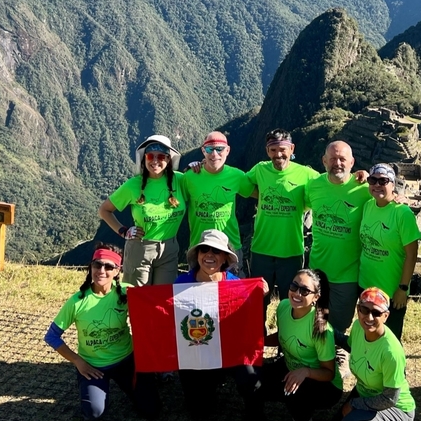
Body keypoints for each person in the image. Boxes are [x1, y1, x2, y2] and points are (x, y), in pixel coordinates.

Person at [173, 231, 265, 421]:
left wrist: (260, 296)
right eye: (205, 250)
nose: (210, 255)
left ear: (225, 258)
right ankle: (211, 382)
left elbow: (252, 325)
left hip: (230, 352)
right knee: (199, 412)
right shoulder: (181, 284)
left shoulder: (236, 286)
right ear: (198, 255)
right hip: (197, 353)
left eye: (217, 251)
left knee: (252, 380)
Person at [44, 244, 161, 421]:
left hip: (126, 360)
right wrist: (78, 361)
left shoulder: (127, 292)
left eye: (109, 266)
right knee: (93, 414)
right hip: (93, 366)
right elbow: (51, 336)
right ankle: (94, 390)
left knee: (152, 410)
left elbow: (153, 315)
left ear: (117, 270)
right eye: (97, 265)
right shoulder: (77, 301)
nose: (101, 270)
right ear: (90, 267)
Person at [250, 268, 343, 421]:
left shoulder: (321, 329)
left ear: (316, 297)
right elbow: (283, 336)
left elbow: (329, 373)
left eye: (304, 290)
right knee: (253, 382)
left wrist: (306, 372)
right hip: (291, 368)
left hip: (325, 385)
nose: (297, 293)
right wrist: (260, 341)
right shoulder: (283, 306)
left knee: (295, 391)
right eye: (294, 286)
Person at [333, 287, 415, 421]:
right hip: (366, 393)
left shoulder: (391, 352)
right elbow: (350, 345)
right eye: (364, 310)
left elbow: (389, 398)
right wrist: (325, 328)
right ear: (358, 309)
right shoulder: (357, 327)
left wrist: (354, 404)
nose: (368, 317)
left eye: (376, 313)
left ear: (386, 316)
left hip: (396, 407)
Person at [244, 129, 320, 304]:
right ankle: (260, 332)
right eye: (273, 150)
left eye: (283, 149)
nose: (278, 154)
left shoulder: (307, 174)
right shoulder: (260, 170)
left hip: (291, 251)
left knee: (291, 301)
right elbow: (240, 183)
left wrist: (359, 177)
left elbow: (331, 183)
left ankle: (287, 332)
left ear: (291, 149)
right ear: (267, 151)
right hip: (262, 250)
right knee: (258, 301)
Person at [98, 134, 185, 286]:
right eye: (150, 156)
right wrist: (123, 231)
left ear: (169, 159)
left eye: (161, 157)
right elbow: (104, 210)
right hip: (140, 248)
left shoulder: (181, 180)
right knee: (138, 299)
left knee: (163, 299)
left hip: (169, 250)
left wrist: (198, 165)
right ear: (144, 158)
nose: (155, 161)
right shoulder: (133, 185)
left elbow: (202, 179)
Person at [306, 141, 372, 340]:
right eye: (333, 159)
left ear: (352, 162)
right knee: (316, 322)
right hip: (317, 270)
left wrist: (398, 196)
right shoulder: (313, 186)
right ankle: (314, 359)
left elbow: (386, 198)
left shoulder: (365, 188)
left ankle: (340, 358)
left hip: (348, 274)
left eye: (342, 159)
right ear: (324, 161)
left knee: (340, 326)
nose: (338, 163)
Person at [358, 164, 421, 340]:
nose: (377, 184)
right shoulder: (368, 206)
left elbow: (412, 254)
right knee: (368, 337)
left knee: (390, 340)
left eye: (383, 181)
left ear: (393, 184)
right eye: (373, 180)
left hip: (391, 292)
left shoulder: (402, 213)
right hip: (366, 286)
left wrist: (403, 288)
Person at [181, 131, 252, 271]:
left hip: (229, 247)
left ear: (227, 150)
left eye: (219, 149)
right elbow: (175, 202)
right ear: (203, 151)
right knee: (198, 292)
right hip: (199, 247)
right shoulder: (189, 177)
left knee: (232, 291)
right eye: (209, 149)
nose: (214, 154)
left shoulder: (237, 176)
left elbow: (260, 193)